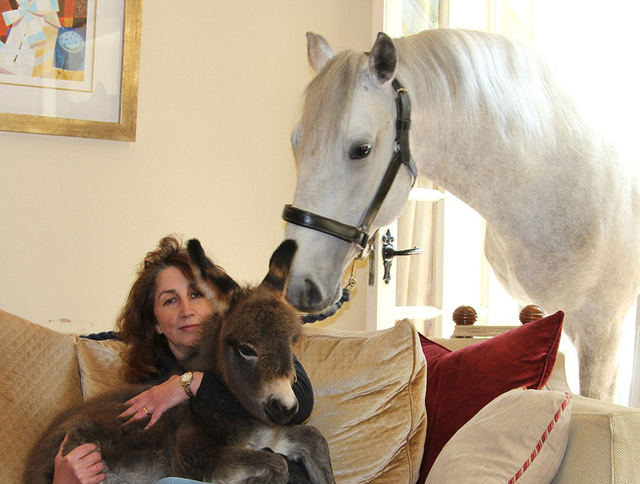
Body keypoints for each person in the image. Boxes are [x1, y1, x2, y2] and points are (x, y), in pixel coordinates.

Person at [52, 235, 314, 484]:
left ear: (215, 301)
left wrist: (191, 384)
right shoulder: (153, 390)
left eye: (196, 294)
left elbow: (298, 403)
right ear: (155, 322)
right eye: (170, 301)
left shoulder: (252, 348)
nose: (187, 311)